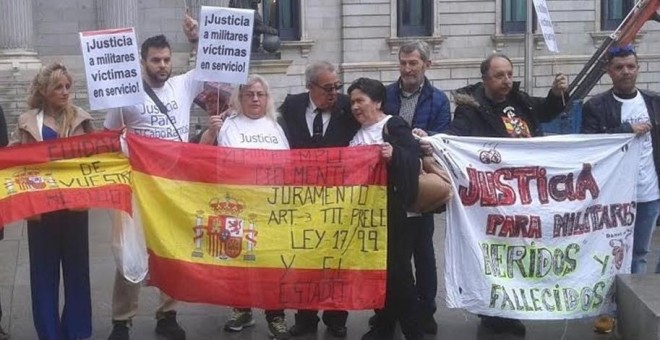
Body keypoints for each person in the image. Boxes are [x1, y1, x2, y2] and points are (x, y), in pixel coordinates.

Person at [448, 53, 568, 335]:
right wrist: (439, 141)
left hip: (525, 193)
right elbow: (457, 135)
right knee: (495, 251)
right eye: (500, 75)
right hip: (493, 196)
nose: (507, 81)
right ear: (485, 79)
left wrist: (556, 94)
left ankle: (513, 305)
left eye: (509, 74)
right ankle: (494, 311)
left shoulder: (520, 100)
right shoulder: (471, 108)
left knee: (520, 250)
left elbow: (548, 111)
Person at [103, 16, 202, 340]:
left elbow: (211, 68)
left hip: (175, 187)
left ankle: (168, 313)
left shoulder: (183, 85)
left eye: (166, 60)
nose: (162, 65)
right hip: (139, 189)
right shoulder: (126, 96)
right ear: (143, 62)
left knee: (172, 249)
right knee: (129, 251)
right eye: (155, 60)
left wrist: (196, 39)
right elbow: (109, 136)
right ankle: (122, 319)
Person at [199, 74, 291, 340]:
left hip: (269, 207)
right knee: (238, 261)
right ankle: (241, 309)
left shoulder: (276, 126)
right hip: (236, 207)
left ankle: (276, 316)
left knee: (271, 263)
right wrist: (211, 131)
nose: (254, 99)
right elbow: (201, 156)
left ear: (267, 98)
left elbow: (289, 165)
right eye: (249, 93)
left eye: (260, 94)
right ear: (239, 98)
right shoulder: (227, 125)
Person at [10, 62, 95, 340]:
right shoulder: (26, 121)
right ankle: (49, 333)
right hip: (40, 211)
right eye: (58, 87)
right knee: (43, 276)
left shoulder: (81, 119)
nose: (65, 92)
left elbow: (96, 157)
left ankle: (77, 332)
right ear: (44, 90)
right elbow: (12, 158)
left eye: (68, 86)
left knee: (77, 273)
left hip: (74, 208)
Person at [580, 44, 660, 334]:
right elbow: (589, 143)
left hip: (648, 192)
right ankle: (607, 309)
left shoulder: (654, 102)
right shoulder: (596, 106)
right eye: (619, 67)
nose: (626, 72)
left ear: (638, 68)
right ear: (608, 72)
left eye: (631, 66)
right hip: (613, 197)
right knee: (607, 253)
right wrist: (626, 131)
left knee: (638, 253)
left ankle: (631, 314)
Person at [277, 61, 359, 338]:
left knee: (337, 261)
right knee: (305, 261)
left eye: (337, 86)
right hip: (302, 199)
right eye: (327, 88)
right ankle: (305, 319)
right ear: (310, 87)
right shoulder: (291, 105)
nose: (334, 92)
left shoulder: (348, 107)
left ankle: (336, 319)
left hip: (339, 200)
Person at [382, 40, 451, 335]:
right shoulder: (384, 94)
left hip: (422, 184)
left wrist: (430, 137)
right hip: (390, 184)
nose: (407, 68)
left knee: (423, 250)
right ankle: (391, 309)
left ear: (426, 64)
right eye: (403, 63)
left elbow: (445, 137)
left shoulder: (438, 99)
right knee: (392, 253)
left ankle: (426, 311)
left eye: (413, 63)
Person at [346, 78, 422, 340]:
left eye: (360, 100)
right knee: (378, 274)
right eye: (352, 101)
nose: (355, 106)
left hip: (395, 215)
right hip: (366, 217)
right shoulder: (354, 132)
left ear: (377, 102)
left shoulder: (393, 125)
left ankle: (414, 332)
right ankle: (383, 325)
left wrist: (395, 155)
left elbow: (414, 158)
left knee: (400, 275)